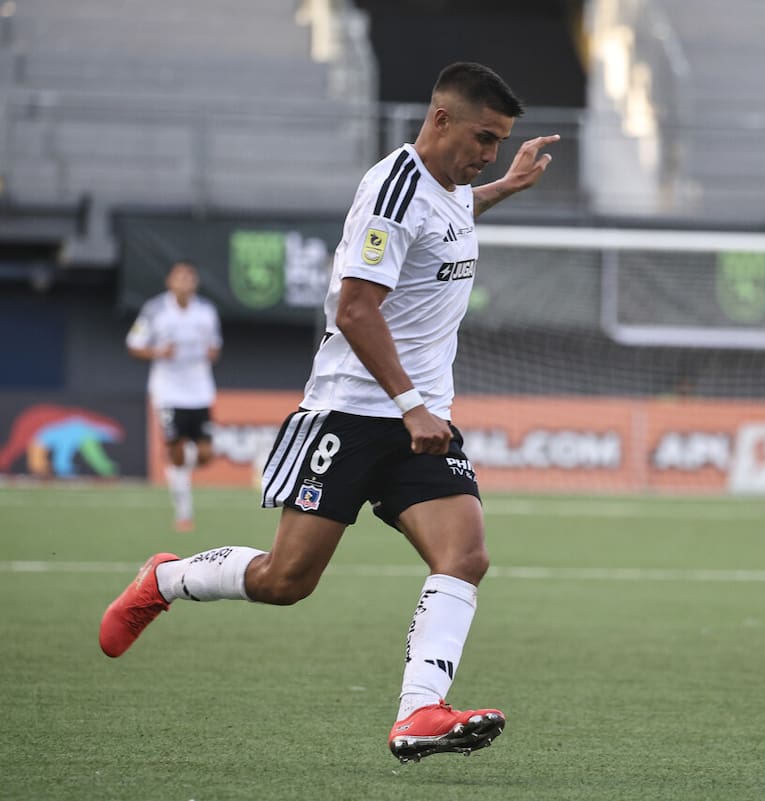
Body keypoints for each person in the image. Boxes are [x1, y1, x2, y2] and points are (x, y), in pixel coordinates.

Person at [100, 62, 560, 762]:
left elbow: (449, 218)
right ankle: (164, 578)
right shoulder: (392, 187)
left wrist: (506, 186)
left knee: (464, 555)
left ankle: (419, 712)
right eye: (484, 138)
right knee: (287, 581)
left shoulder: (449, 189)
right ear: (440, 120)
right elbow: (354, 309)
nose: (490, 154)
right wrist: (409, 406)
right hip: (352, 413)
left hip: (421, 420)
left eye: (499, 142)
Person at [126, 261, 223, 531]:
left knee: (205, 454)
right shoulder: (155, 310)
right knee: (178, 450)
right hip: (168, 391)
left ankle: (174, 464)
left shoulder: (206, 311)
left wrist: (211, 354)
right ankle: (183, 510)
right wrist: (158, 352)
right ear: (169, 282)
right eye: (179, 277)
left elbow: (215, 347)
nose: (184, 282)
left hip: (200, 390)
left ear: (195, 283)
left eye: (189, 277)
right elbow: (134, 345)